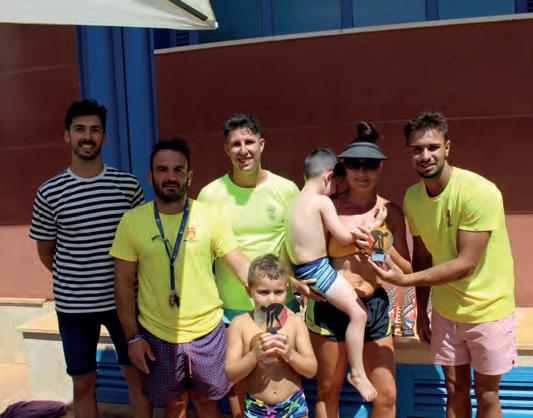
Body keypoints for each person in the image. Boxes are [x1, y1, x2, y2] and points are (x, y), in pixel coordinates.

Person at [372, 112, 516, 418]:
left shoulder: (478, 191)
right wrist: (421, 310)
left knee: (487, 393)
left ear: (447, 147)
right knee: (454, 389)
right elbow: (422, 256)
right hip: (446, 311)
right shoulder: (413, 197)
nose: (425, 156)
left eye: (433, 147)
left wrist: (405, 281)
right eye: (417, 149)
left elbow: (466, 264)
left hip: (488, 310)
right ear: (409, 154)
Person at [110, 138, 250, 418]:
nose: (171, 177)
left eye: (178, 170)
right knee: (174, 406)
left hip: (207, 331)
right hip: (156, 333)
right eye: (162, 170)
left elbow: (240, 264)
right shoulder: (132, 221)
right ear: (150, 175)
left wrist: (276, 290)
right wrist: (132, 338)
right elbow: (122, 283)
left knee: (207, 402)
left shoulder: (210, 217)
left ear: (189, 176)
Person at [29, 99, 149, 418]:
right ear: (67, 135)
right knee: (83, 384)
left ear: (104, 137)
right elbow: (46, 251)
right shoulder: (49, 192)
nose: (87, 136)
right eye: (79, 129)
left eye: (95, 130)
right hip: (74, 306)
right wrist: (76, 277)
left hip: (124, 301)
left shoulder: (127, 186)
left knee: (137, 377)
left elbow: (140, 244)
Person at [295, 122, 412, 418]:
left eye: (369, 165)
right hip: (329, 306)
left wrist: (380, 242)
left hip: (372, 305)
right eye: (354, 165)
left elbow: (407, 269)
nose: (362, 172)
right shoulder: (327, 205)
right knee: (327, 392)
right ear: (342, 168)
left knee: (386, 395)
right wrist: (296, 282)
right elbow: (298, 251)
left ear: (380, 168)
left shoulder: (389, 212)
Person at [197, 113, 299, 416]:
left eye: (249, 142)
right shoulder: (210, 195)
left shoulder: (286, 189)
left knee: (276, 379)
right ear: (226, 149)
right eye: (236, 144)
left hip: (276, 305)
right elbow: (202, 254)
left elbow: (297, 247)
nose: (244, 150)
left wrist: (299, 284)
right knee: (236, 385)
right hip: (229, 308)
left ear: (261, 144)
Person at [286, 148, 388, 401]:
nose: (335, 191)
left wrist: (293, 277)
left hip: (305, 270)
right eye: (336, 185)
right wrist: (375, 227)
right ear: (329, 176)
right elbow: (343, 237)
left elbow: (285, 248)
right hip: (318, 269)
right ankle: (357, 373)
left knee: (357, 315)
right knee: (359, 314)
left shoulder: (293, 203)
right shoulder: (322, 202)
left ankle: (357, 372)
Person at [225, 254, 317, 418]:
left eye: (278, 292)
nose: (271, 299)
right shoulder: (239, 325)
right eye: (263, 292)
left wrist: (290, 354)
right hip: (257, 407)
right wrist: (254, 355)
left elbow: (311, 370)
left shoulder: (295, 323)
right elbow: (230, 375)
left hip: (293, 405)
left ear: (287, 289)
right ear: (249, 291)